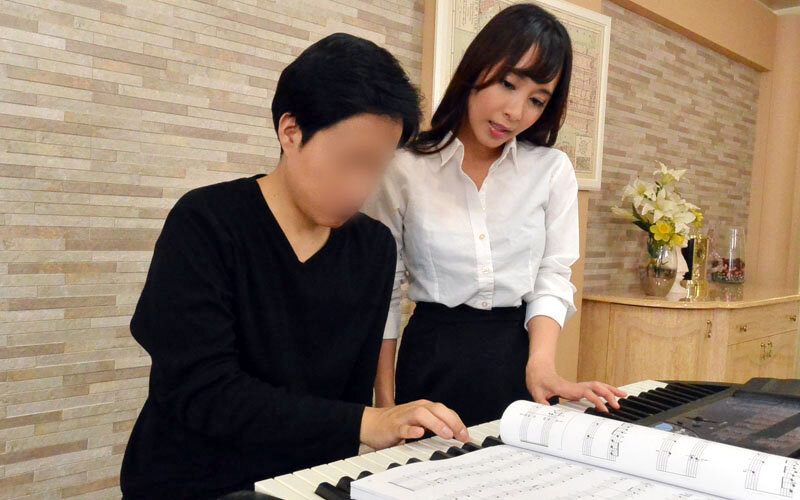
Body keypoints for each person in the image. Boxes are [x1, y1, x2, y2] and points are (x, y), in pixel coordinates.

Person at [120, 33, 468, 500]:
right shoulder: (205, 223)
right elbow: (202, 391)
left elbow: (346, 399)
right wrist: (367, 422)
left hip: (304, 485)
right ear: (290, 131)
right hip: (192, 483)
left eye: (376, 166)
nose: (360, 188)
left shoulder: (372, 248)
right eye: (350, 161)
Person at [365, 4, 626, 427]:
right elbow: (385, 289)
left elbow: (552, 276)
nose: (516, 112)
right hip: (430, 359)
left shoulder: (551, 169)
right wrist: (386, 402)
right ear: (477, 67)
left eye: (537, 100)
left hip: (516, 362)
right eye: (508, 83)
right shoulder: (405, 167)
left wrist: (542, 365)